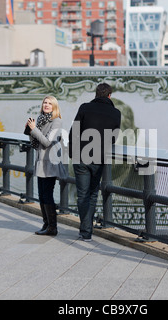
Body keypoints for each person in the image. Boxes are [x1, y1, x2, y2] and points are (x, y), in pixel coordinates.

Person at [68, 83, 121, 241]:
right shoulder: (115, 113)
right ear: (110, 96)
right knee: (92, 194)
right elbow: (113, 137)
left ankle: (85, 231)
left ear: (96, 94)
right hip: (99, 158)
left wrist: (72, 152)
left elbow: (74, 131)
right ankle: (86, 231)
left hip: (80, 156)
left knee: (82, 195)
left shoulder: (84, 108)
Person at [25, 96, 64, 236]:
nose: (46, 105)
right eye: (44, 103)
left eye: (49, 103)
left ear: (54, 106)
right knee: (42, 195)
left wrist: (34, 129)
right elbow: (36, 141)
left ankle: (53, 227)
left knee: (47, 195)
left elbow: (47, 142)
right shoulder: (41, 119)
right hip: (41, 162)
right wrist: (30, 131)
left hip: (50, 163)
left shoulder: (57, 121)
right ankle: (46, 224)